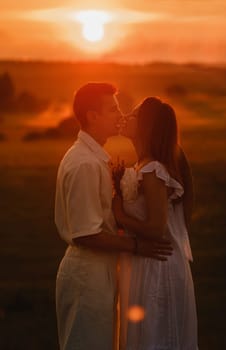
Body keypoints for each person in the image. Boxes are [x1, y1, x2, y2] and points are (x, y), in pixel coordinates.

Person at [54, 83, 173, 350]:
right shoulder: (84, 163)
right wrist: (138, 247)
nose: (120, 114)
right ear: (92, 116)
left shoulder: (95, 158)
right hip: (88, 275)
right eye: (112, 109)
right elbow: (86, 234)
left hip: (100, 271)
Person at [113, 97, 198, 349]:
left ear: (146, 127)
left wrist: (120, 215)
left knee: (157, 338)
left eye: (135, 115)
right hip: (143, 263)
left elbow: (157, 228)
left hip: (157, 268)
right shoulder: (142, 165)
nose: (126, 117)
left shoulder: (153, 170)